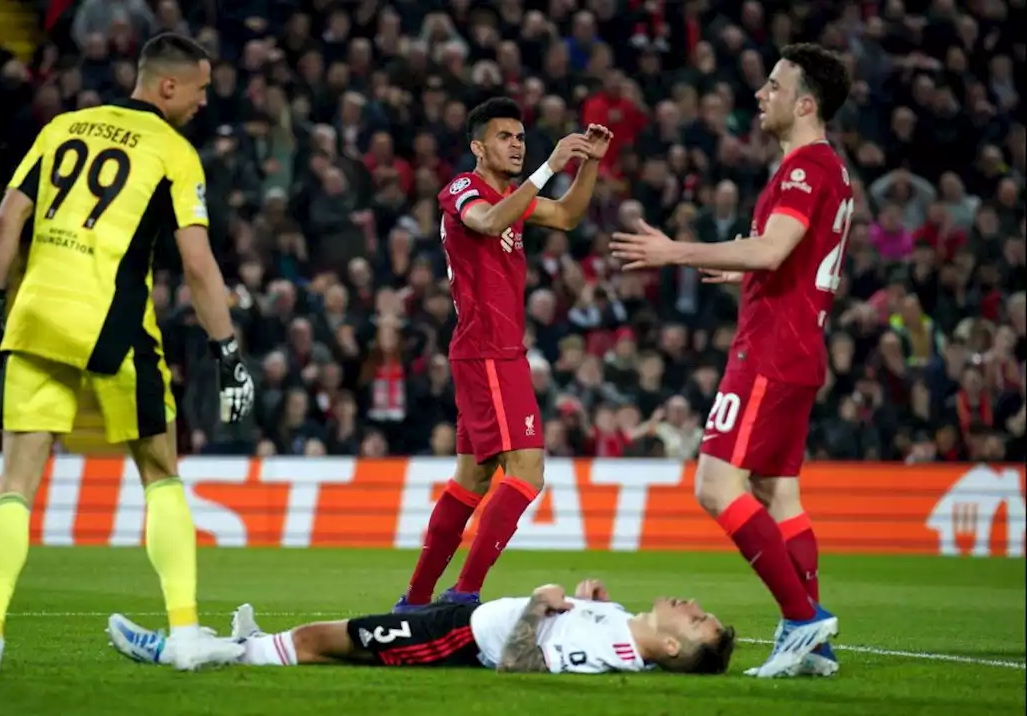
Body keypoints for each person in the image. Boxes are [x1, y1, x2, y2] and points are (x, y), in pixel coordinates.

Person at [0, 33, 255, 676]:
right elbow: (197, 264)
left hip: (34, 317)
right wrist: (227, 349)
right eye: (200, 90)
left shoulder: (64, 125)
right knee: (160, 472)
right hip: (113, 324)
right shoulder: (173, 150)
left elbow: (7, 220)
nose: (205, 102)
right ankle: (186, 632)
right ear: (167, 86)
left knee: (14, 485)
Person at [609, 43, 851, 678]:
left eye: (774, 86)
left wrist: (676, 252)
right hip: (799, 347)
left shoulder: (803, 170)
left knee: (716, 486)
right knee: (779, 495)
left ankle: (803, 621)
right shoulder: (828, 170)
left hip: (769, 350)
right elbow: (783, 256)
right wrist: (729, 264)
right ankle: (814, 648)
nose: (759, 95)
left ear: (805, 104)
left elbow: (774, 252)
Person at [393, 97, 614, 612]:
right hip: (489, 351)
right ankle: (464, 592)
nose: (515, 145)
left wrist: (590, 165)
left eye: (520, 137)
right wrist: (551, 165)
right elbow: (488, 222)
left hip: (493, 352)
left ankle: (416, 599)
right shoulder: (464, 189)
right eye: (504, 137)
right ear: (478, 146)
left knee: (471, 477)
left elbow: (565, 215)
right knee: (527, 471)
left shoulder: (514, 197)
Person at [107, 580, 736, 675]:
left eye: (698, 619)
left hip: (459, 638)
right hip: (464, 616)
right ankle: (246, 644)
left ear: (674, 645)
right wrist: (583, 597)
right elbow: (576, 625)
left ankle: (185, 654)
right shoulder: (622, 626)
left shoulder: (619, 651)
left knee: (321, 640)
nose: (691, 604)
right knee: (330, 630)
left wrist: (540, 605)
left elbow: (522, 663)